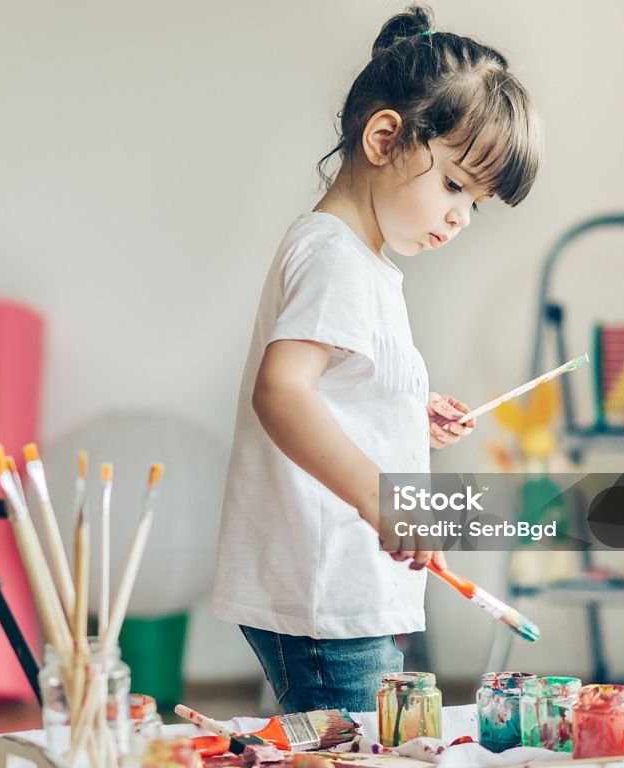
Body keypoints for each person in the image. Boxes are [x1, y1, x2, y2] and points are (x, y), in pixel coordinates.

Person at [212, 4, 542, 713]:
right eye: (455, 185)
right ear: (385, 137)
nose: (460, 217)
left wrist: (407, 409)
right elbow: (283, 393)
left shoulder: (361, 262)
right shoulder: (336, 257)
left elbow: (333, 386)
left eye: (476, 204)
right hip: (329, 587)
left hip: (353, 582)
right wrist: (378, 500)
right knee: (353, 751)